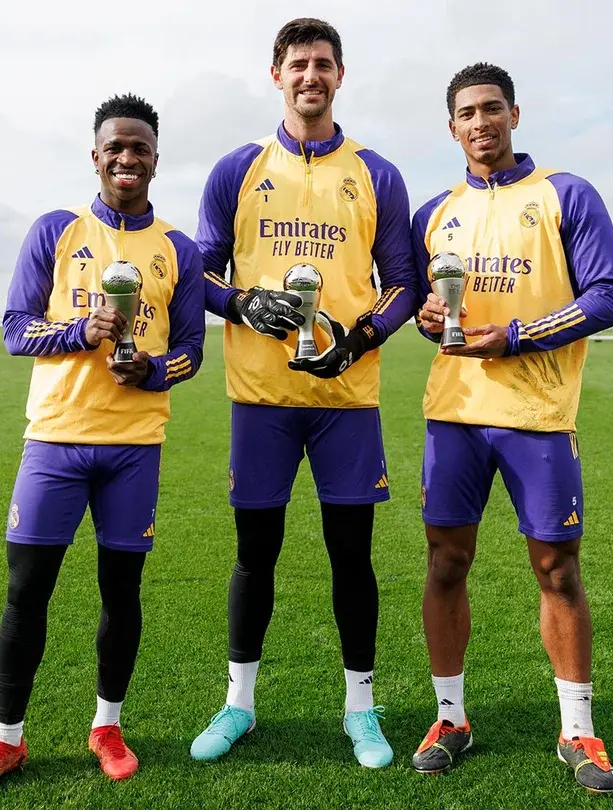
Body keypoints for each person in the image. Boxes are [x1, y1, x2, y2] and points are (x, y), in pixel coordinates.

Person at [0, 93, 205, 798]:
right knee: (27, 593)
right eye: (115, 148)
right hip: (56, 442)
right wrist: (78, 332)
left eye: (140, 149)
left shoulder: (178, 248)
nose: (128, 159)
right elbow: (13, 329)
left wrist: (149, 369)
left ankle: (107, 725)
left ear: (155, 159)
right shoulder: (56, 230)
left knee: (122, 592)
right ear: (95, 156)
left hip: (134, 447)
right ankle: (6, 742)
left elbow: (190, 352)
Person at [188, 17, 417, 769]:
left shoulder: (377, 172)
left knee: (352, 557)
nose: (309, 76)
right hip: (260, 401)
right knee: (257, 556)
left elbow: (405, 285)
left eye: (322, 64)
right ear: (276, 74)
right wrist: (242, 305)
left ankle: (362, 711)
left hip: (346, 403)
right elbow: (201, 272)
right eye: (297, 64)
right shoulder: (237, 169)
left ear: (340, 76)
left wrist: (360, 338)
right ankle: (238, 705)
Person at [407, 63, 613, 794]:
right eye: (467, 113)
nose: (481, 122)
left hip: (537, 416)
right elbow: (427, 313)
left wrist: (520, 335)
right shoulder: (433, 214)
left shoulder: (565, 194)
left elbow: (608, 297)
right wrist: (427, 318)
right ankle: (450, 718)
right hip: (455, 416)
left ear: (514, 114)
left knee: (558, 570)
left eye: (492, 108)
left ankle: (578, 731)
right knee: (445, 565)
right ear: (452, 128)